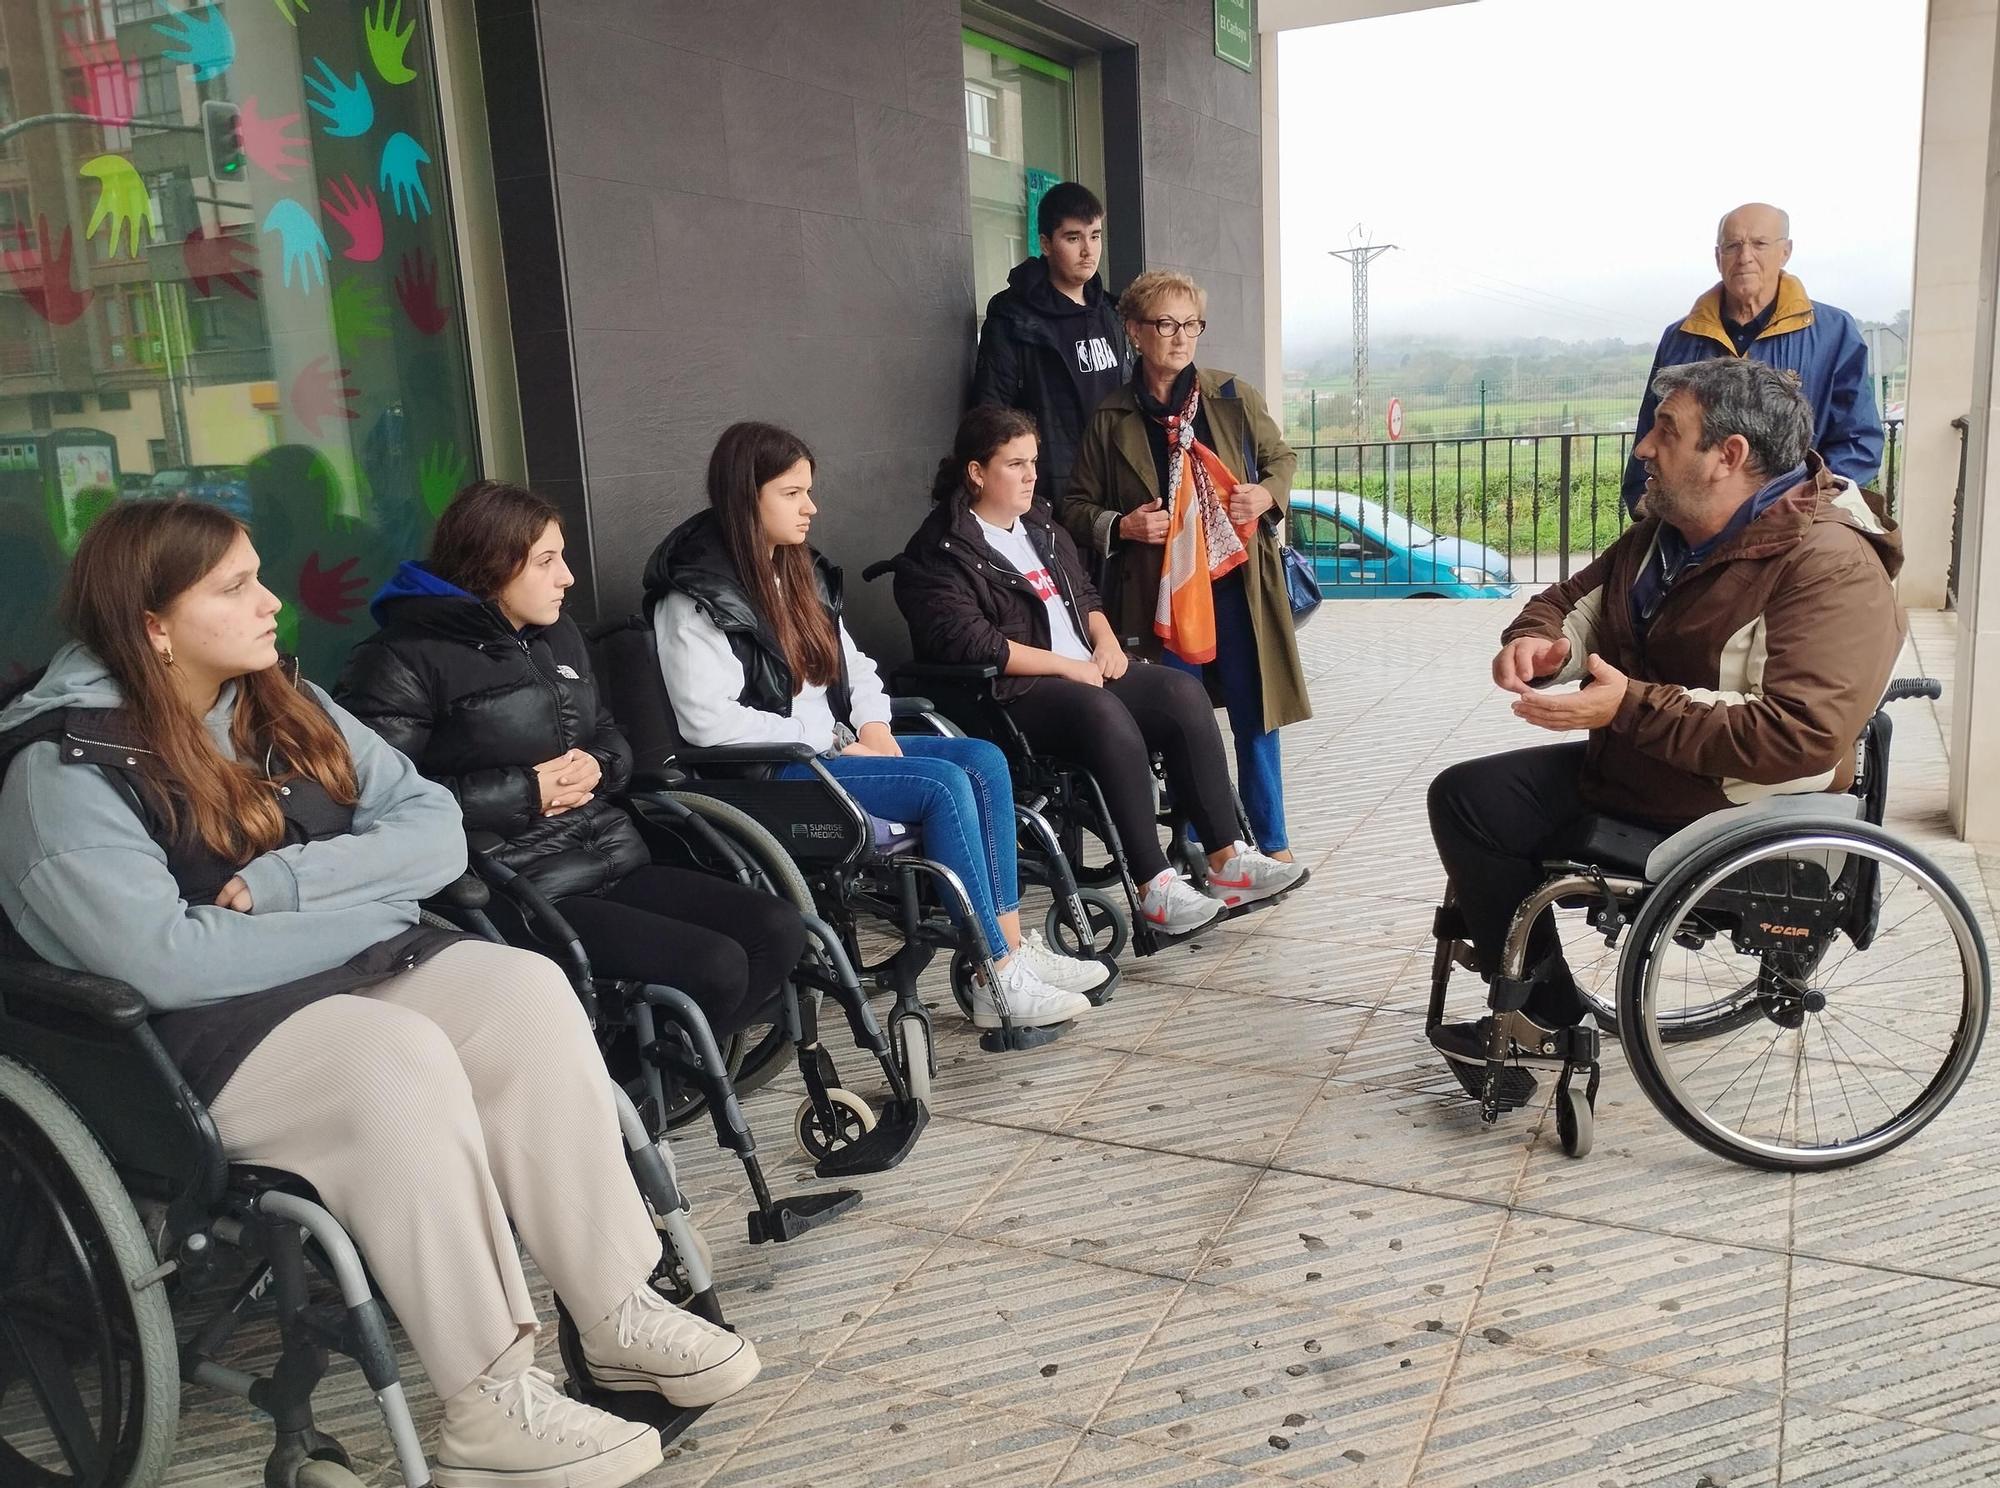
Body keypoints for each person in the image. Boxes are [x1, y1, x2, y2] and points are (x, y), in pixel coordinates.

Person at [0, 502, 759, 1488]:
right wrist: (370, 906)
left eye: (259, 573)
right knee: (393, 1054)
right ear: (152, 622)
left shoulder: (280, 700)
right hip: (192, 1043)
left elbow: (433, 828)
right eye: (234, 587)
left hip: (344, 972)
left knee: (523, 990)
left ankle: (613, 1309)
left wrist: (291, 885)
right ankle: (489, 1409)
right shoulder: (65, 768)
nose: (272, 602)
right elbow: (165, 961)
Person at [1429, 358, 1905, 1075]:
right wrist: (1538, 644)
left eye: (1666, 431)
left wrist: (1628, 705)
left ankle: (1540, 1021)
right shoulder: (1667, 534)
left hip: (1732, 806)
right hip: (1646, 772)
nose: (1643, 448)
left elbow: (1801, 734)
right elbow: (1568, 598)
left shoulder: (1828, 563)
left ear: (1729, 456)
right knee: (1467, 799)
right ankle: (1546, 1019)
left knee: (1488, 809)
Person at [645, 420, 1102, 1033]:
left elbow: (852, 664)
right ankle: (996, 973)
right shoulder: (695, 598)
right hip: (772, 770)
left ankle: (1012, 952)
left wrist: (875, 727)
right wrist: (829, 745)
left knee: (983, 759)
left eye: (809, 490)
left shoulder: (795, 569)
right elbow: (706, 721)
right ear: (745, 497)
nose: (811, 507)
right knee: (940, 785)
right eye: (792, 494)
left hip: (833, 749)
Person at [335, 480, 807, 1046]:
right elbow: (378, 801)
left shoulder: (555, 636)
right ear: (491, 565)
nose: (568, 578)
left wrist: (599, 767)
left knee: (778, 930)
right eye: (546, 561)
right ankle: (636, 1073)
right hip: (511, 886)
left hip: (610, 853)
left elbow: (607, 732)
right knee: (717, 964)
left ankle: (666, 1063)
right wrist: (526, 791)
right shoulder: (397, 661)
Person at [893, 405, 1307, 936]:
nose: (1031, 475)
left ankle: (1228, 861)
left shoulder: (1038, 522)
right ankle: (1153, 886)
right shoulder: (940, 550)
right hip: (1014, 693)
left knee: (1182, 693)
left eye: (1033, 462)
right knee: (1103, 711)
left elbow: (1084, 592)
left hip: (1084, 669)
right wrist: (1068, 667)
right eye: (1015, 464)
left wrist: (1106, 641)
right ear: (976, 473)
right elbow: (972, 643)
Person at [1059, 269, 1311, 864]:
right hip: (1160, 592)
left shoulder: (1232, 396)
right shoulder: (1112, 415)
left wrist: (1266, 494)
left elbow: (1282, 459)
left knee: (1256, 715)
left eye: (1191, 324)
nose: (1180, 337)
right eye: (1165, 324)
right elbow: (1073, 506)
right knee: (1181, 718)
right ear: (1134, 332)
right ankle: (1200, 840)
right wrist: (1121, 525)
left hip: (1237, 586)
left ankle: (1270, 841)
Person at [1621, 202, 1883, 514]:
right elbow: (1652, 429)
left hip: (1793, 526)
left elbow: (1859, 440)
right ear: (1718, 257)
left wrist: (1805, 506)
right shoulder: (1681, 336)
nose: (1745, 257)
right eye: (1732, 246)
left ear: (1785, 252)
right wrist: (1644, 506)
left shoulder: (1833, 332)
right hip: (1695, 525)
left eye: (1759, 244)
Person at [969, 180, 1130, 508]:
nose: (1088, 250)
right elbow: (991, 415)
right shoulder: (1013, 318)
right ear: (1045, 243)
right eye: (1073, 238)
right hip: (1053, 498)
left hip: (1117, 493)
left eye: (1095, 236)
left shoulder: (1113, 314)